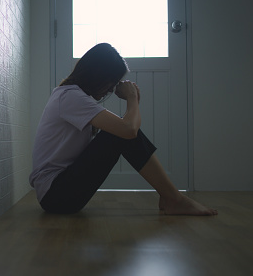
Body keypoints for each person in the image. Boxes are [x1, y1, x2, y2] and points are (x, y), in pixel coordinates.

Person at [29, 43, 217, 215]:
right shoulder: (70, 97)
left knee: (119, 132)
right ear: (97, 75)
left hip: (59, 193)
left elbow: (129, 129)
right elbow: (129, 130)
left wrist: (132, 103)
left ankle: (173, 198)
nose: (110, 91)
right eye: (110, 83)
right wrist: (132, 99)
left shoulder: (72, 96)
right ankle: (174, 199)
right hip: (56, 196)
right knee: (118, 134)